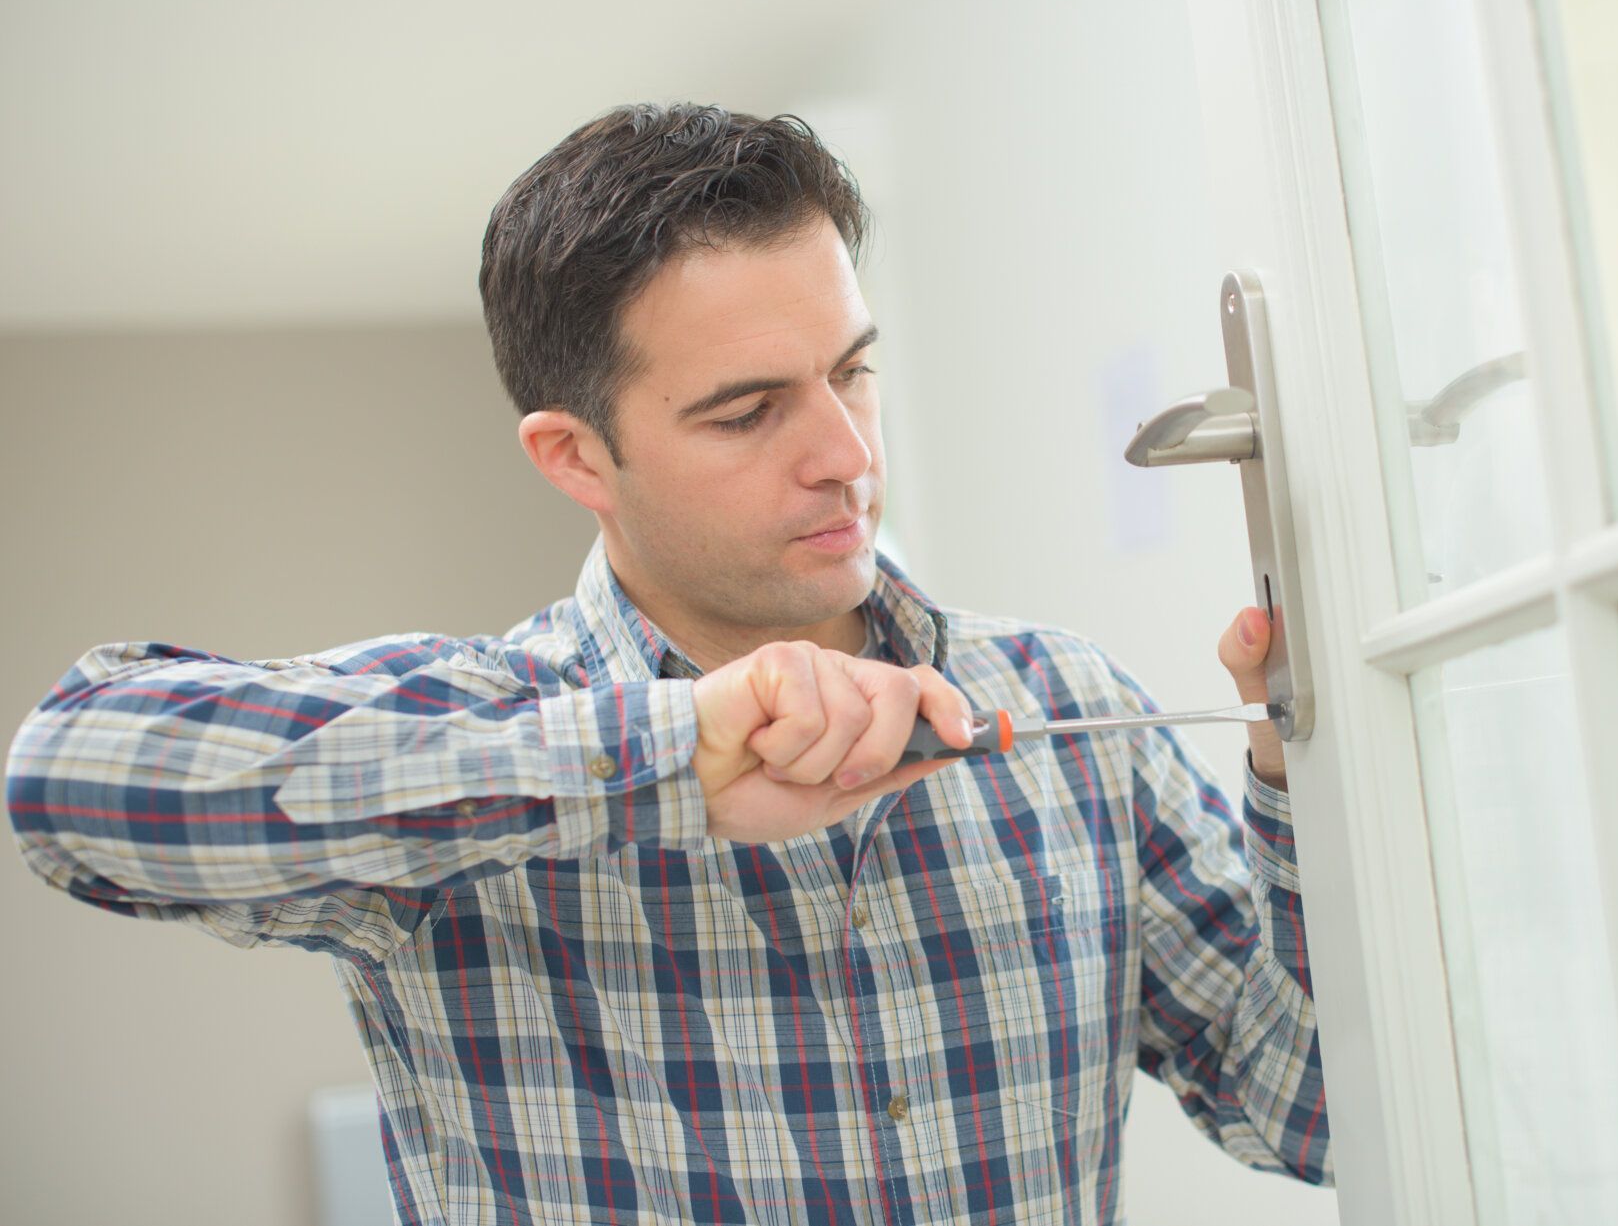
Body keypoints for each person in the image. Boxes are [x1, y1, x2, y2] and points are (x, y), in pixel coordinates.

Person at [4, 103, 1330, 1225]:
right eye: (749, 411)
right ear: (575, 456)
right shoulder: (486, 741)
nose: (849, 457)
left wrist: (1297, 785)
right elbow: (68, 779)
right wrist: (664, 757)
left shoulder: (1060, 708)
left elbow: (1310, 1111)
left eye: (853, 374)